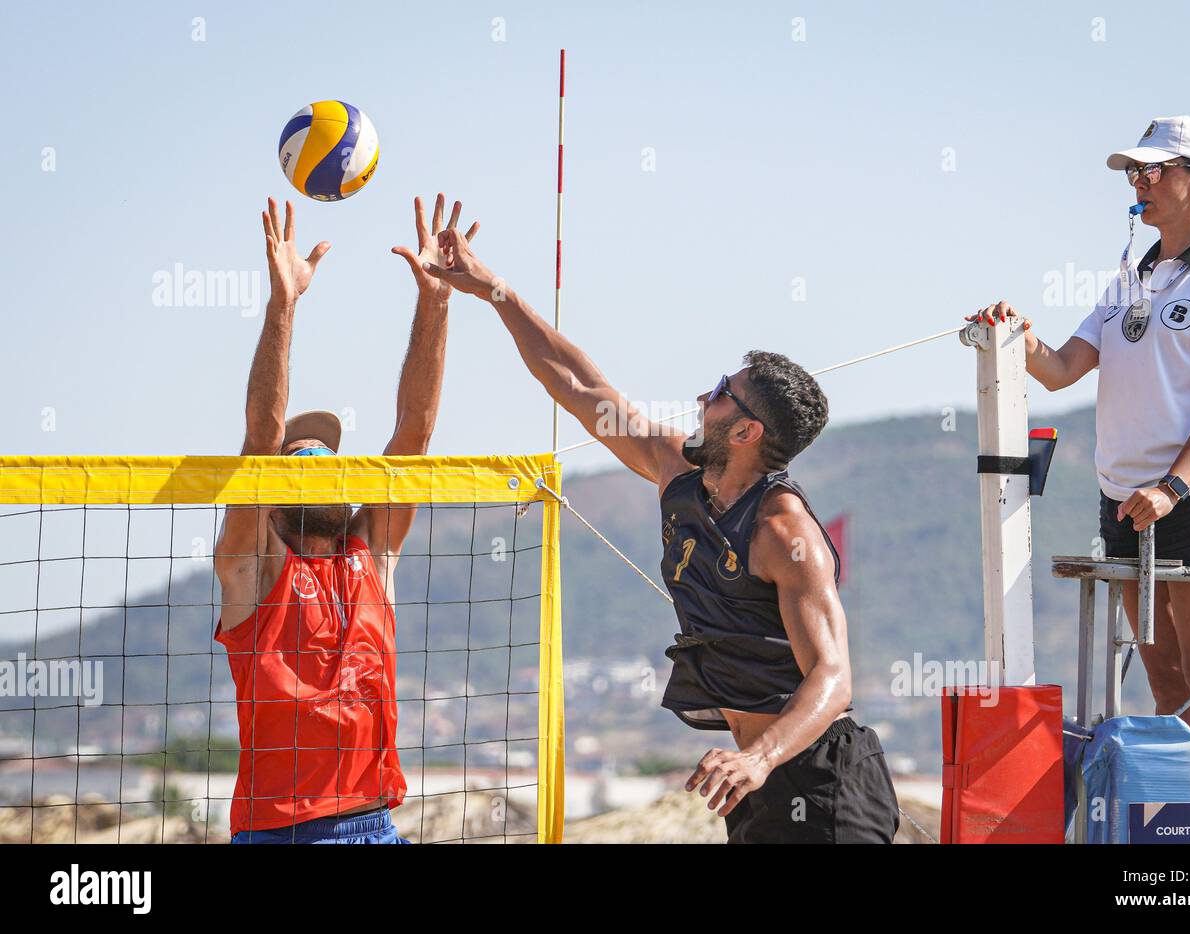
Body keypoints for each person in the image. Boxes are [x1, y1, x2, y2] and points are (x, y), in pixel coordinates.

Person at [419, 225, 900, 843]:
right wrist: (495, 292)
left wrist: (758, 758)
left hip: (822, 782)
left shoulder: (783, 530)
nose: (706, 393)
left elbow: (833, 679)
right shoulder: (680, 469)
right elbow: (580, 387)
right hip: (756, 784)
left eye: (724, 393)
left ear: (749, 433)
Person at [969, 116, 1190, 833]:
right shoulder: (1130, 276)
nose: (1140, 183)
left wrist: (1175, 486)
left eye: (1154, 171)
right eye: (1135, 172)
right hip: (1122, 499)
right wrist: (1019, 334)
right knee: (1166, 681)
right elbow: (1064, 367)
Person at [214, 194, 478, 843]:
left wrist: (435, 303)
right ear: (274, 492)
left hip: (374, 824)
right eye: (300, 458)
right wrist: (284, 305)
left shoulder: (371, 555)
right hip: (282, 833)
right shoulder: (252, 565)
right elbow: (259, 438)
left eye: (329, 456)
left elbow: (413, 432)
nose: (319, 461)